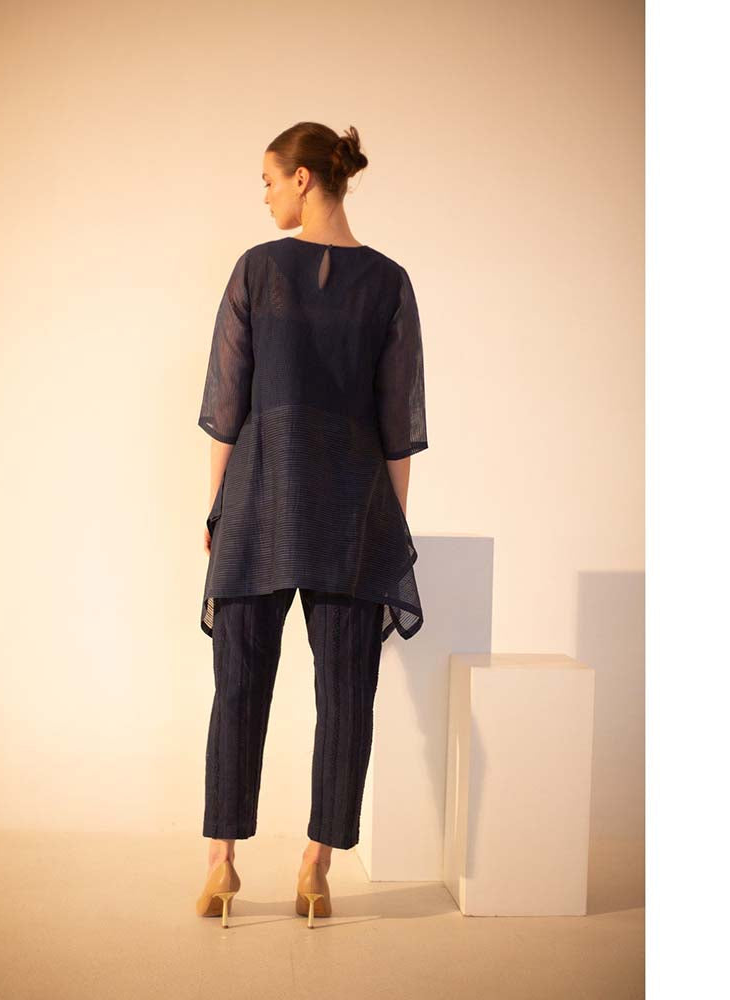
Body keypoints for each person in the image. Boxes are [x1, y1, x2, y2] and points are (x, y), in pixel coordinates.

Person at [194, 122, 428, 928]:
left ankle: (222, 863)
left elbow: (228, 406)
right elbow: (398, 427)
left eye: (268, 180)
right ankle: (316, 868)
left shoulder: (258, 271)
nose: (264, 196)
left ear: (302, 178)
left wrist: (218, 507)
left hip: (260, 500)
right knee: (346, 692)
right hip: (351, 509)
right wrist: (392, 525)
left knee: (239, 685)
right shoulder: (389, 283)